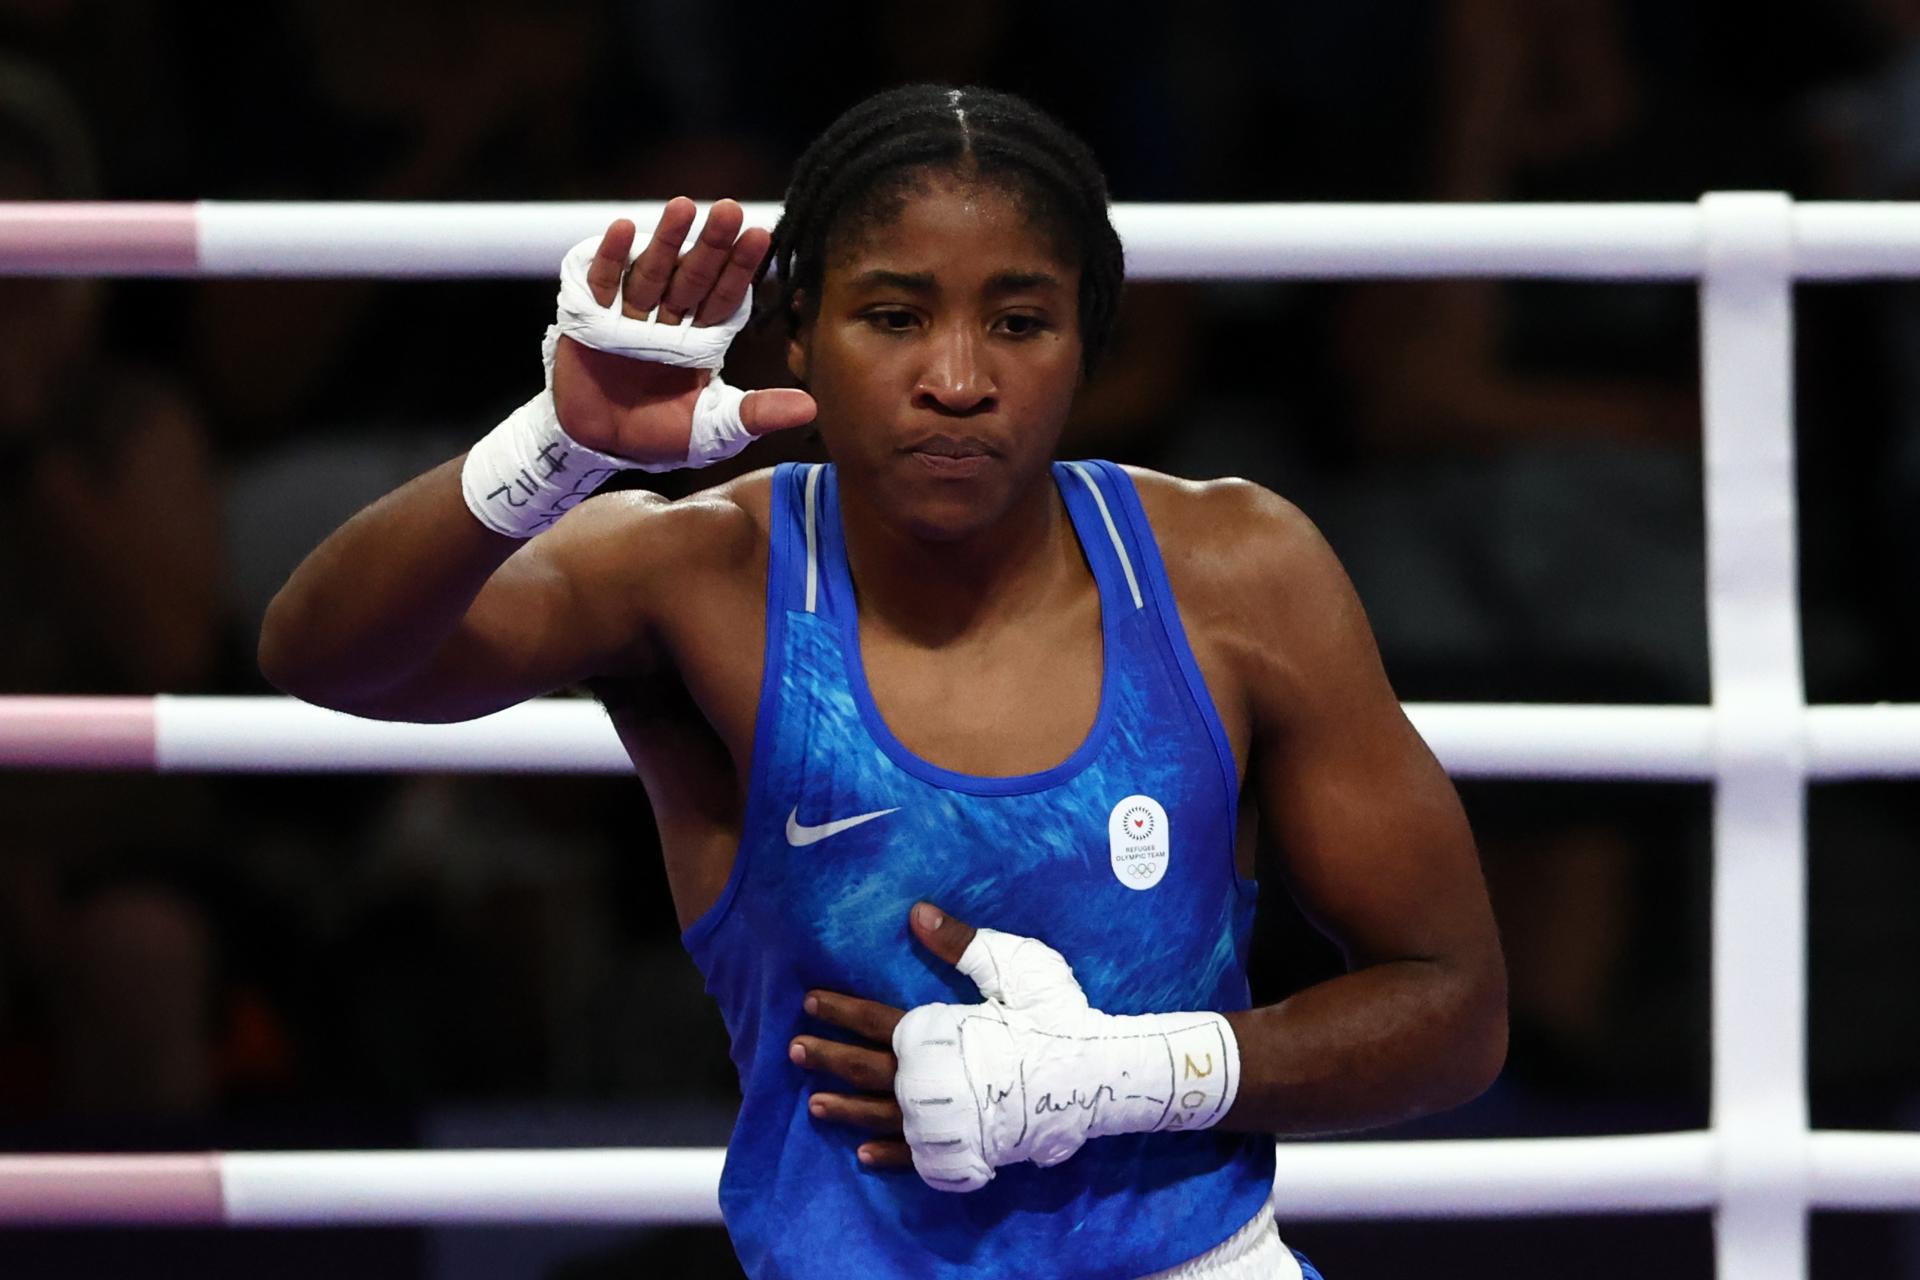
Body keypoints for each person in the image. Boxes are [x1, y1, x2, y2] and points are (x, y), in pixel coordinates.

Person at [260, 84, 1505, 1280]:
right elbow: (322, 655)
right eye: (896, 316)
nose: (956, 378)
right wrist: (556, 444)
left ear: (1089, 342)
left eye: (1018, 322)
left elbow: (1453, 1009)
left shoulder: (1238, 574)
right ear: (798, 327)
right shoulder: (699, 574)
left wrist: (1121, 1074)